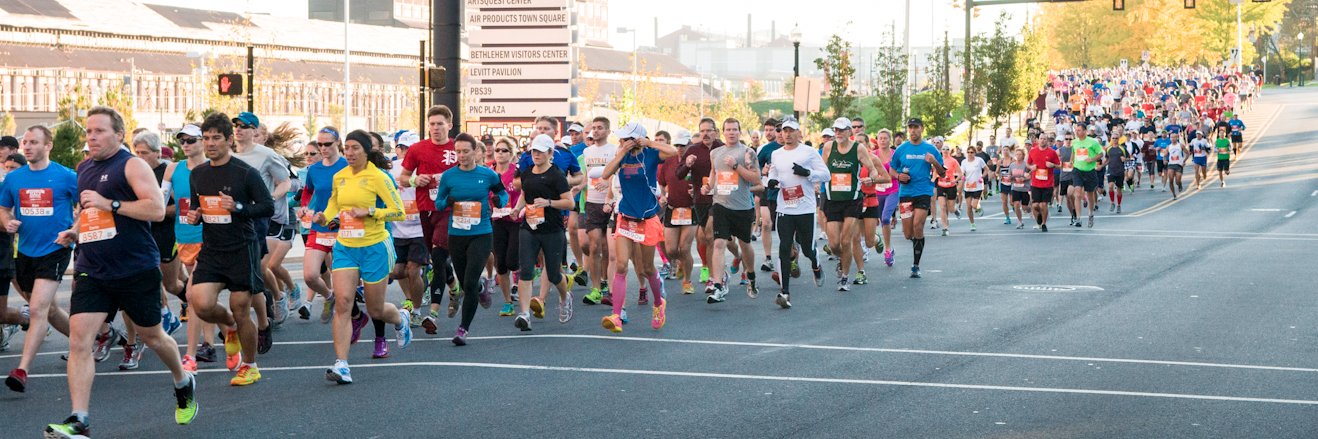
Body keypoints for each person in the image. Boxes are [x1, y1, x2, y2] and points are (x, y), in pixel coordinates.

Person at [42, 106, 198, 438]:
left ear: (119, 134)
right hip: (92, 269)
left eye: (99, 131)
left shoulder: (132, 165)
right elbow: (89, 212)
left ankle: (183, 381)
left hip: (134, 267)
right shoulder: (84, 168)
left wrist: (109, 203)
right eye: (88, 131)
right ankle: (79, 419)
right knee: (80, 341)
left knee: (154, 336)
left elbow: (156, 210)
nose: (91, 137)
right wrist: (75, 230)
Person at [184, 113, 274, 386]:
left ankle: (250, 365)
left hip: (241, 248)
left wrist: (238, 207)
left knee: (240, 307)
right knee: (200, 303)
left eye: (216, 138)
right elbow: (196, 207)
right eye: (206, 138)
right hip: (212, 249)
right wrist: (195, 215)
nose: (210, 144)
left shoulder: (245, 173)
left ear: (229, 140)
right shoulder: (198, 174)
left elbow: (267, 207)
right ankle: (230, 329)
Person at [318, 130, 411, 384]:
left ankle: (401, 317)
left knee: (376, 309)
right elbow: (334, 205)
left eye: (355, 148)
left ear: (366, 150)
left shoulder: (379, 177)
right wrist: (323, 216)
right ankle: (342, 364)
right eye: (346, 148)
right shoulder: (340, 176)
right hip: (346, 246)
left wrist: (370, 212)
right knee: (343, 302)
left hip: (374, 247)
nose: (349, 153)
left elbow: (398, 212)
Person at [2, 124, 77, 393]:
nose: (28, 146)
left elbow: (87, 207)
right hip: (25, 251)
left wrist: (74, 230)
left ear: (48, 146)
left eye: (34, 142)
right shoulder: (14, 178)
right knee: (50, 309)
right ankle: (86, 341)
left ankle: (22, 370)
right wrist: (7, 221)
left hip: (55, 248)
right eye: (26, 142)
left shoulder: (67, 176)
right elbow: (3, 208)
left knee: (36, 310)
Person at [597, 122, 676, 331]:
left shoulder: (650, 154)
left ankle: (659, 303)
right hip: (625, 216)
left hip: (647, 218)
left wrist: (649, 142)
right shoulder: (621, 155)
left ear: (637, 139)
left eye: (625, 138)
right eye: (621, 139)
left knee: (646, 268)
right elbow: (605, 175)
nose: (621, 141)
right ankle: (616, 315)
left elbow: (673, 151)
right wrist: (621, 152)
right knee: (621, 266)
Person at [433, 133, 508, 345]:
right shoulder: (449, 176)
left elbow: (502, 195)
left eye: (466, 151)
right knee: (467, 283)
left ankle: (463, 329)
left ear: (475, 151)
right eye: (458, 151)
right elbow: (438, 204)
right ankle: (480, 289)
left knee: (469, 280)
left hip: (481, 233)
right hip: (457, 234)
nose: (462, 155)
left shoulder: (488, 175)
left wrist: (497, 200)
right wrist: (448, 200)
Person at [399, 106, 462, 333]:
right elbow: (403, 178)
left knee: (437, 253)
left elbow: (470, 172)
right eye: (432, 124)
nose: (435, 128)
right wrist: (417, 180)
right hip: (425, 209)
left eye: (440, 124)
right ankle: (454, 286)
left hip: (450, 209)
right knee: (439, 258)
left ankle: (432, 314)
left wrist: (448, 179)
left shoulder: (458, 148)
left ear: (449, 125)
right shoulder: (417, 149)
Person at [229, 112, 288, 353]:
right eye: (236, 126)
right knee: (244, 276)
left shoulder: (266, 154)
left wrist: (269, 199)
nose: (239, 130)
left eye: (245, 126)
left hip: (256, 220)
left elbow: (284, 182)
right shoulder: (228, 155)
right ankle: (247, 322)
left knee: (254, 273)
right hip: (230, 221)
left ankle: (264, 321)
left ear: (255, 131)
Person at [164, 124, 218, 373]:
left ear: (202, 142)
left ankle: (192, 354)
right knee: (202, 300)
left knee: (192, 295)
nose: (186, 145)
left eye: (191, 140)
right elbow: (161, 199)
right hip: (183, 237)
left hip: (208, 238)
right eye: (182, 141)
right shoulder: (173, 169)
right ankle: (221, 337)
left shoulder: (213, 168)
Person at [511, 135, 575, 331]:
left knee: (555, 274)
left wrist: (548, 203)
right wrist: (516, 208)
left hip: (552, 229)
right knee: (526, 270)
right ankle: (524, 314)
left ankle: (565, 297)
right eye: (534, 151)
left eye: (540, 151)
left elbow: (570, 203)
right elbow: (524, 194)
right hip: (529, 227)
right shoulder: (527, 172)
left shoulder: (556, 175)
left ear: (550, 153)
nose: (536, 154)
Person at [765, 117, 828, 308]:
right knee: (784, 247)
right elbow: (773, 173)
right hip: (784, 207)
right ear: (781, 133)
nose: (787, 134)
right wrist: (771, 180)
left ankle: (816, 263)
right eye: (784, 131)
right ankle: (785, 292)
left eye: (791, 130)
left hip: (805, 208)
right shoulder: (776, 154)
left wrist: (808, 173)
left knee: (807, 248)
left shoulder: (808, 152)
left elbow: (826, 175)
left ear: (798, 133)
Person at [819, 117, 882, 290]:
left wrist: (871, 178)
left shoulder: (858, 148)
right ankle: (843, 260)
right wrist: (816, 181)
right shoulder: (828, 147)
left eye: (841, 130)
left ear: (849, 131)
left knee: (846, 241)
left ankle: (845, 278)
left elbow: (874, 170)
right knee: (834, 245)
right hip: (832, 200)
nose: (837, 133)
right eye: (835, 130)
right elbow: (822, 169)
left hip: (853, 200)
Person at [705, 118, 763, 301]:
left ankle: (751, 275)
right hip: (720, 204)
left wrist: (736, 166)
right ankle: (718, 285)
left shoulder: (747, 152)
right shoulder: (715, 153)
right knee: (719, 244)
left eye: (735, 129)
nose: (731, 132)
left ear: (740, 132)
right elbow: (713, 174)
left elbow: (756, 179)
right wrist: (707, 187)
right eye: (728, 129)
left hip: (743, 207)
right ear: (723, 132)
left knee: (745, 245)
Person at [888, 118, 944, 279]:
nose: (912, 130)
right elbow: (891, 170)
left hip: (923, 192)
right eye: (910, 127)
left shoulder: (930, 149)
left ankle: (916, 265)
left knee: (918, 225)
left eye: (916, 127)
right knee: (907, 233)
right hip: (906, 193)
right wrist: (898, 176)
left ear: (922, 129)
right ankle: (916, 243)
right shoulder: (901, 149)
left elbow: (942, 173)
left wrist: (934, 162)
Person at [387, 131, 429, 334]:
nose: (407, 153)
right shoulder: (392, 169)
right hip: (397, 229)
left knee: (413, 269)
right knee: (395, 272)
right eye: (404, 149)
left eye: (412, 149)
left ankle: (417, 310)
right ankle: (415, 292)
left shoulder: (425, 168)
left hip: (420, 228)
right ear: (398, 149)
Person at [579, 117, 618, 305]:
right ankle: (595, 288)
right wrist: (578, 187)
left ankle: (605, 283)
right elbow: (586, 175)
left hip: (610, 202)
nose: (595, 131)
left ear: (608, 131)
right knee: (594, 246)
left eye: (600, 128)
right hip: (592, 202)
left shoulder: (614, 150)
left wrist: (607, 182)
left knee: (606, 247)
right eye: (593, 128)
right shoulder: (587, 151)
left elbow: (618, 174)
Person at [658, 130, 698, 295]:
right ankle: (681, 263)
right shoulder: (669, 161)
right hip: (672, 209)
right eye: (678, 145)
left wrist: (697, 191)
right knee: (672, 250)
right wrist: (662, 196)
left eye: (684, 145)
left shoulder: (696, 161)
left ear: (690, 145)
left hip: (690, 209)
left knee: (684, 248)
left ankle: (687, 281)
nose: (680, 148)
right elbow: (661, 183)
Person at [488, 137, 521, 316]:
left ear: (511, 153)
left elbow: (526, 193)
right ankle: (508, 302)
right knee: (501, 264)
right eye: (498, 150)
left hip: (515, 221)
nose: (500, 153)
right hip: (496, 221)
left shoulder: (517, 172)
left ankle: (523, 280)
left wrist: (518, 210)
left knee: (512, 260)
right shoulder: (489, 173)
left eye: (504, 150)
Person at [755, 119, 782, 273]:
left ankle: (791, 256)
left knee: (786, 228)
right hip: (767, 190)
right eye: (772, 130)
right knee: (766, 223)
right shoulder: (765, 149)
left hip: (785, 192)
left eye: (778, 130)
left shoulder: (793, 148)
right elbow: (755, 169)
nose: (776, 133)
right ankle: (768, 258)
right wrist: (762, 171)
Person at [1069, 124, 1104, 228]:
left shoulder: (1093, 142)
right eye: (1076, 130)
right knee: (1077, 192)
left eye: (1079, 130)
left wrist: (1092, 159)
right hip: (1077, 170)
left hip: (1089, 171)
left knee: (1090, 194)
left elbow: (1101, 154)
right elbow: (1073, 152)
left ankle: (1090, 213)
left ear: (1085, 131)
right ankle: (1078, 218)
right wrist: (1071, 161)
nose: (1077, 132)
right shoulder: (1074, 142)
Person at [1027, 138, 1060, 232]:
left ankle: (1044, 224)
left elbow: (1059, 165)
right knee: (1035, 206)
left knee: (1043, 204)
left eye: (1044, 139)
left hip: (1047, 184)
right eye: (1041, 139)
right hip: (1036, 183)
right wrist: (1031, 167)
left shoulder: (1052, 152)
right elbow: (1028, 164)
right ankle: (1039, 217)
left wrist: (1053, 165)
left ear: (1047, 141)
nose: (1043, 140)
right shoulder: (1033, 151)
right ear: (1038, 140)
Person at [934, 146, 961, 236]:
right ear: (941, 151)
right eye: (944, 149)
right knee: (942, 207)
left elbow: (960, 174)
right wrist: (933, 180)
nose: (945, 151)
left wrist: (955, 180)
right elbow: (935, 173)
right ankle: (945, 228)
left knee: (950, 209)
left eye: (947, 149)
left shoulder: (953, 161)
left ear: (950, 151)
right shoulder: (938, 160)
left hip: (951, 186)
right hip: (941, 185)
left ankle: (955, 210)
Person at [960, 146, 987, 232]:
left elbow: (986, 169)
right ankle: (972, 224)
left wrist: (982, 177)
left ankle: (978, 208)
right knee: (968, 207)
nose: (970, 154)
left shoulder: (979, 160)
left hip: (977, 186)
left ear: (974, 153)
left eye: (972, 152)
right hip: (968, 186)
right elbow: (962, 172)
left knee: (974, 205)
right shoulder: (964, 162)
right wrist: (963, 176)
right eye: (968, 152)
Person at [1104, 134, 1128, 212]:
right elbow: (1107, 159)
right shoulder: (1108, 149)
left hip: (1120, 170)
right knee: (1110, 186)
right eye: (1113, 138)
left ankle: (1118, 205)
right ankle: (1112, 203)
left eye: (1116, 138)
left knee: (1119, 189)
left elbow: (1128, 157)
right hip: (1111, 170)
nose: (1114, 139)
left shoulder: (1122, 148)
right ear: (1111, 139)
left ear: (1118, 139)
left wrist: (1124, 159)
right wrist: (1102, 166)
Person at [1165, 134, 1188, 199]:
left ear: (1177, 138)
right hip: (1171, 165)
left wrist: (1184, 161)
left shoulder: (1180, 145)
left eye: (1174, 137)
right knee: (1171, 180)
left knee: (1177, 180)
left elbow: (1187, 153)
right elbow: (1165, 155)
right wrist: (1165, 160)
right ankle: (1174, 194)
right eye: (1171, 137)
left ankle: (1179, 184)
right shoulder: (1168, 147)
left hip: (1179, 164)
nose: (1173, 138)